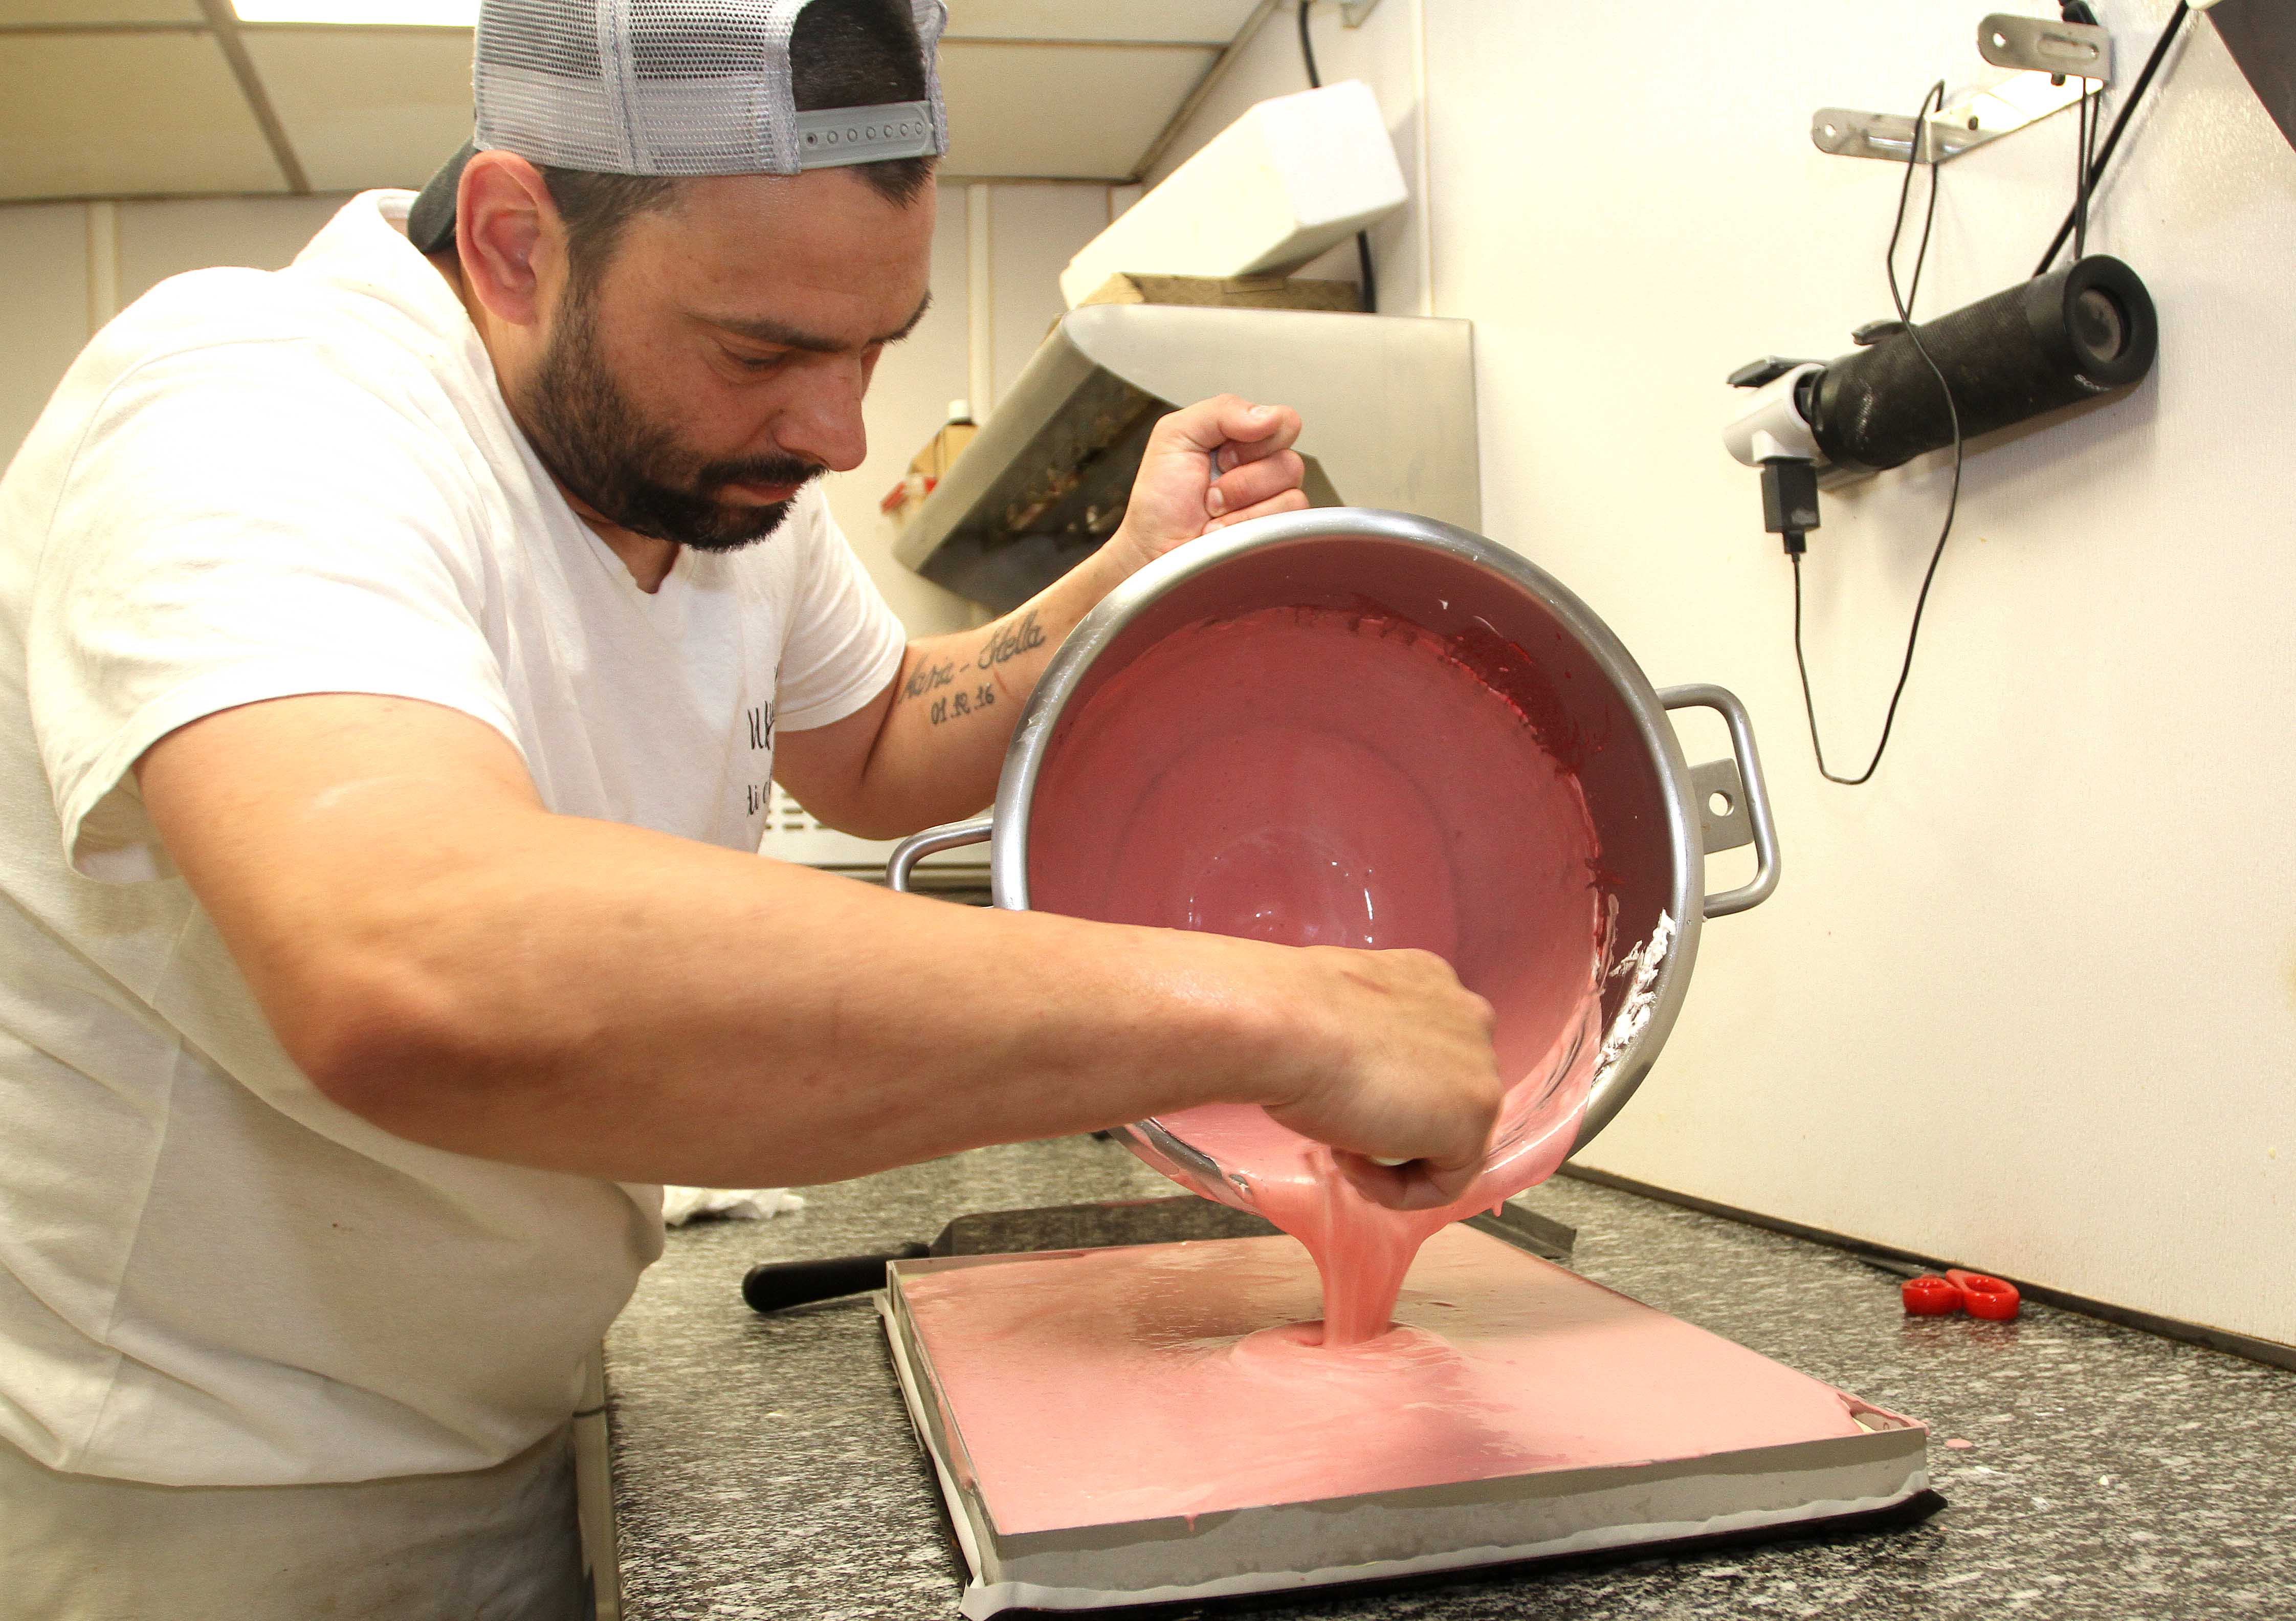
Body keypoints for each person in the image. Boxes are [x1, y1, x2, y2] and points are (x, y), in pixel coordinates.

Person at [0, 1, 1503, 1614]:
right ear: (516, 242)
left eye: (874, 347)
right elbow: (413, 963)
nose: (837, 432)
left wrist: (1126, 580)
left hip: (498, 1416)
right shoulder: (253, 407)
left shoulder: (717, 482)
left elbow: (874, 742)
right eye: (767, 352)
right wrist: (1287, 1013)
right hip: (209, 1498)